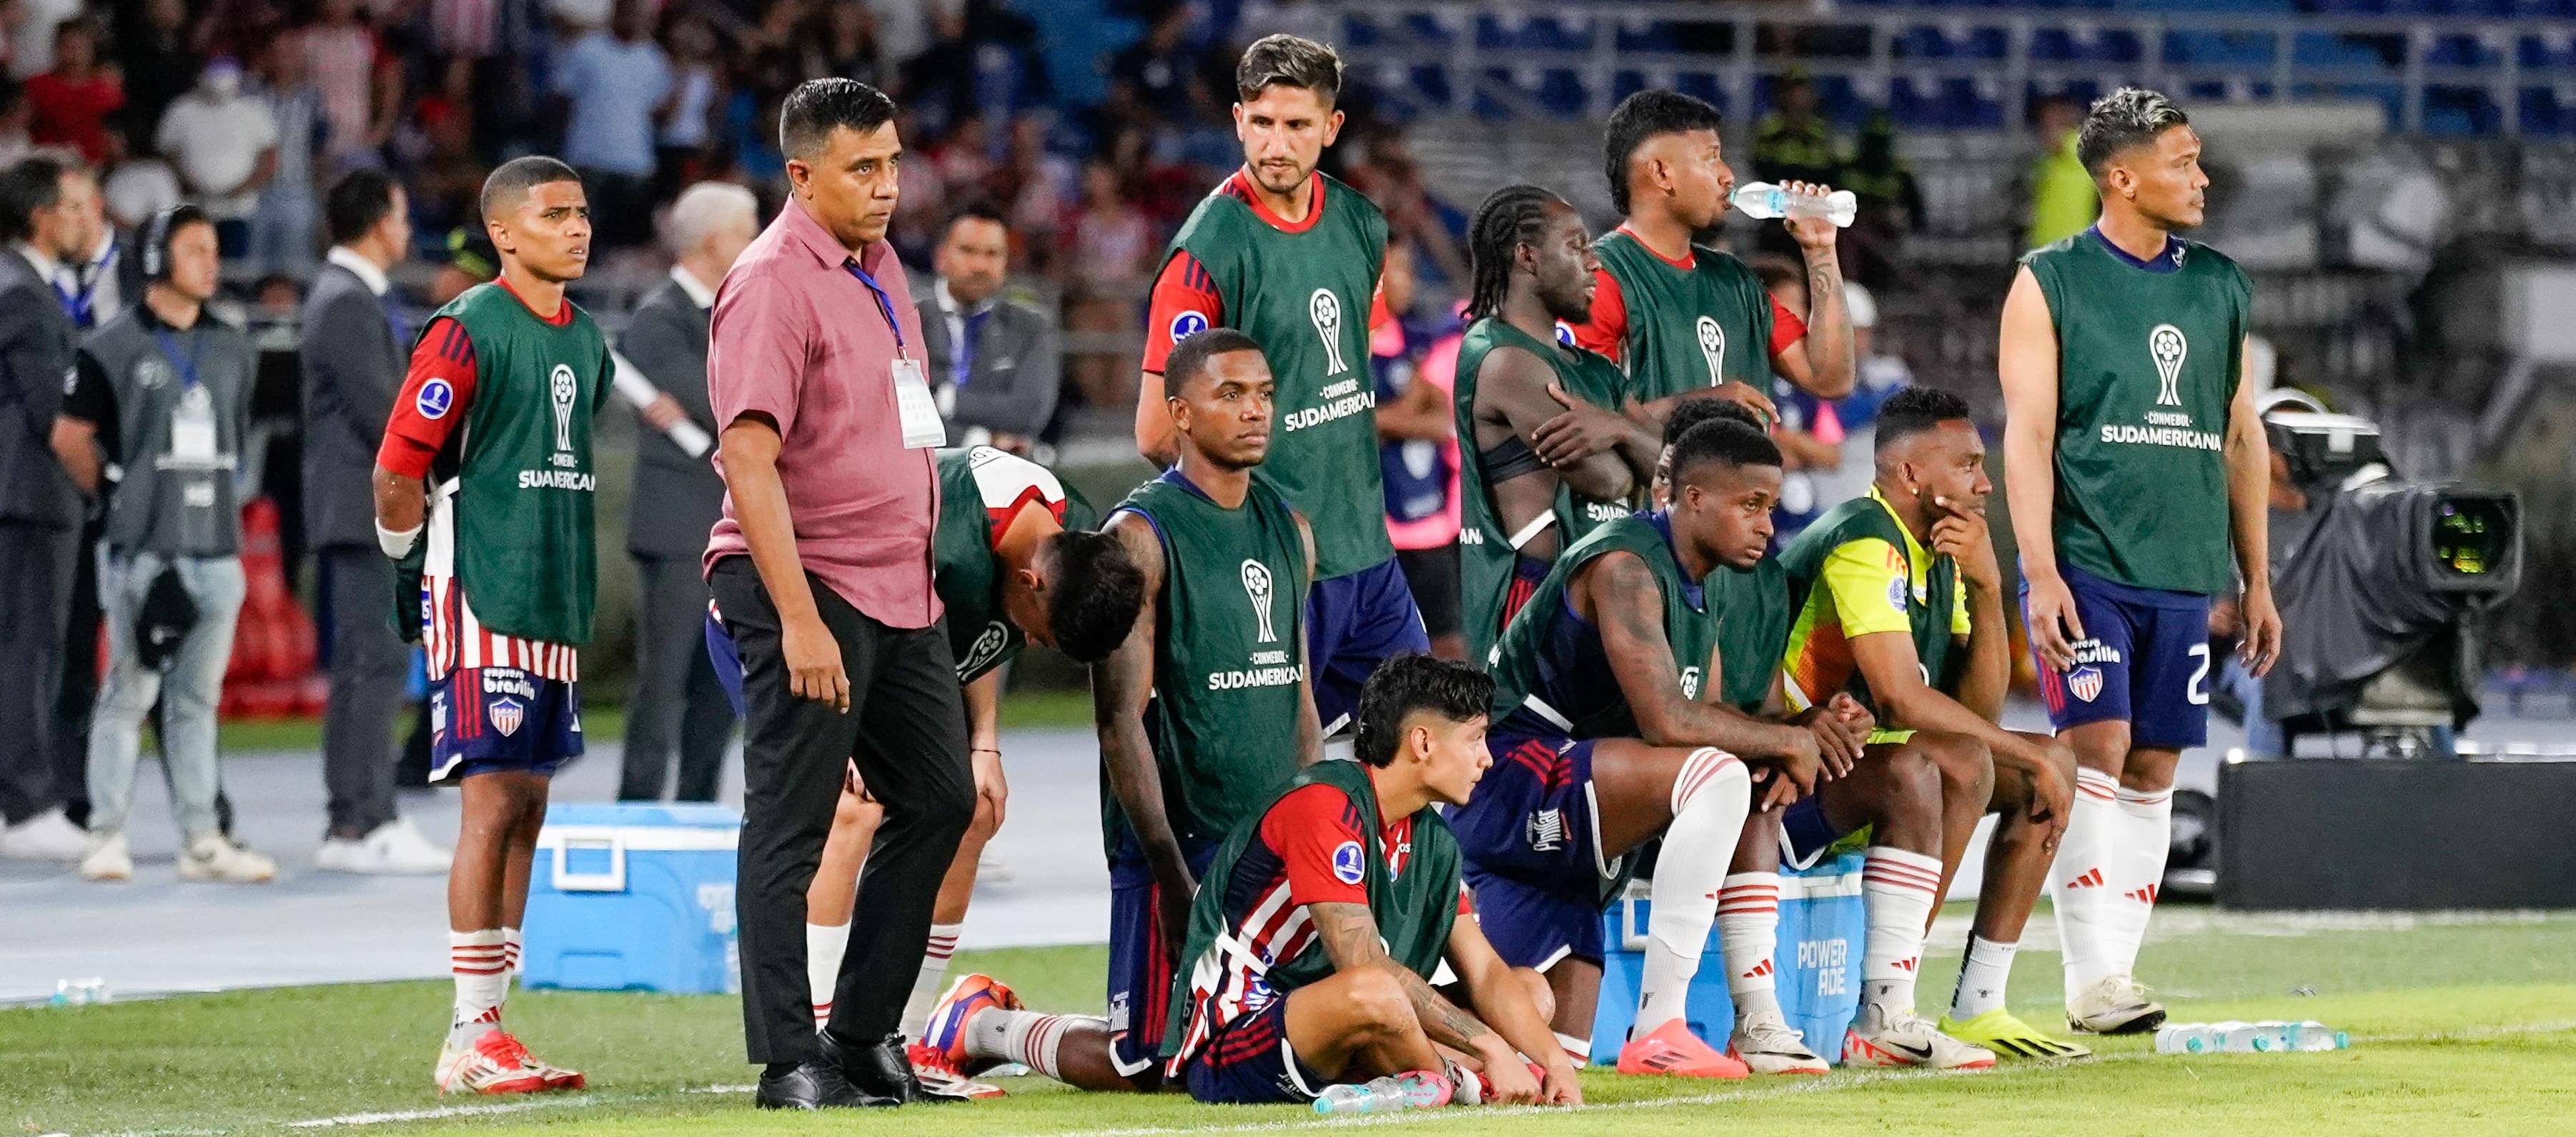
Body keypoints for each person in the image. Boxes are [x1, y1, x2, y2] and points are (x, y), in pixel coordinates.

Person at [918, 328, 1324, 1095]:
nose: (1254, 412)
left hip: (1268, 835)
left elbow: (1298, 687)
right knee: (1149, 1068)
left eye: (1264, 394)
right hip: (1179, 840)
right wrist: (1168, 871)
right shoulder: (1138, 534)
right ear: (1178, 412)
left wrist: (1313, 819)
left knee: (1267, 1047)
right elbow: (1118, 722)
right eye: (1230, 395)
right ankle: (980, 1026)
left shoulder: (1290, 529)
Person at [704, 78, 975, 1111]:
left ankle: (862, 1032)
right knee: (793, 818)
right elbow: (747, 457)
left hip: (895, 582)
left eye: (896, 163)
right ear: (801, 173)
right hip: (803, 578)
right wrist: (801, 614)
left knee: (941, 796)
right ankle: (789, 1058)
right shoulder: (772, 279)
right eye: (864, 168)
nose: (888, 186)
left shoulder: (881, 265)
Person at [1446, 417, 1854, 1078]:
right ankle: (1661, 1026)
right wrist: (1784, 740)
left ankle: (1757, 1022)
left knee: (1543, 1063)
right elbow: (1669, 720)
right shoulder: (1625, 563)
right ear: (1691, 497)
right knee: (1720, 774)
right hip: (1505, 776)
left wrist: (1802, 732)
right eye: (1750, 505)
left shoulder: (1704, 582)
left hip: (1570, 804)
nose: (1766, 526)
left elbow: (1711, 713)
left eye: (1771, 508)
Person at [2000, 89, 2279, 1037]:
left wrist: (2258, 577)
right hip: (2088, 560)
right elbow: (2029, 436)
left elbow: (2242, 437)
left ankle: (2118, 973)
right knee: (2101, 747)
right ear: (2121, 177)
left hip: (2184, 565)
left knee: (2157, 762)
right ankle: (2093, 977)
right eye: (2183, 160)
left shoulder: (2222, 285)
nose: (2201, 178)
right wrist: (2039, 571)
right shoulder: (2049, 281)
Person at [788, 443, 1145, 1094]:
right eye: (1046, 632)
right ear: (1030, 582)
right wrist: (850, 739)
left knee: (971, 804)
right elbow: (849, 603)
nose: (1034, 643)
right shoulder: (939, 529)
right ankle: (818, 1043)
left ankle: (908, 1036)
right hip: (809, 626)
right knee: (855, 805)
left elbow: (984, 636)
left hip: (906, 652)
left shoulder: (1068, 538)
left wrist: (985, 744)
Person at [1758, 385, 2087, 1061]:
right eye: (1967, 463)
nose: (1986, 482)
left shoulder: (1936, 553)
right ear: (1910, 474)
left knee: (2038, 762)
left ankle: (1978, 1002)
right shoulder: (1864, 537)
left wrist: (1991, 589)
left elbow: (1978, 714)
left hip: (1862, 764)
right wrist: (2023, 757)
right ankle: (1884, 1012)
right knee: (1965, 761)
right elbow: (1905, 700)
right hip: (1782, 786)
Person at [375, 155, 606, 1095]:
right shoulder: (466, 329)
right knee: (491, 797)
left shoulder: (589, 339)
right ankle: (469, 1032)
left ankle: (494, 1025)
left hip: (555, 596)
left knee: (531, 802)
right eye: (553, 215)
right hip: (483, 585)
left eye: (583, 213)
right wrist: (406, 568)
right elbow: (399, 467)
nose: (576, 228)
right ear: (503, 233)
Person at [1136, 34, 1429, 745]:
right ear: (1237, 120)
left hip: (1366, 552)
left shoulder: (1362, 226)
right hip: (1270, 560)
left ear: (1330, 129)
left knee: (1419, 747)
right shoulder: (1207, 252)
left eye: (1296, 125)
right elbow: (1155, 433)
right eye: (1261, 122)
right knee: (1266, 778)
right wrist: (1245, 531)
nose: (1275, 142)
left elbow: (1345, 373)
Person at [53, 204, 271, 884]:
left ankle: (202, 837)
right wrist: (117, 497)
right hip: (140, 548)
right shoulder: (110, 347)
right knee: (126, 692)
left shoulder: (234, 343)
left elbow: (233, 440)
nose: (212, 261)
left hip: (215, 547)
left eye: (213, 248)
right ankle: (106, 832)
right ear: (157, 260)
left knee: (196, 702)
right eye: (197, 249)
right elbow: (69, 437)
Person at [303, 167, 447, 874]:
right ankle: (360, 822)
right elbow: (385, 413)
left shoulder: (355, 297)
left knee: (372, 664)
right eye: (400, 215)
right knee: (374, 664)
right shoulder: (346, 301)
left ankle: (358, 819)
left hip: (365, 506)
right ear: (374, 222)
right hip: (365, 510)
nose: (408, 229)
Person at [1450, 184, 1657, 662]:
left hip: (1603, 586)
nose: (1596, 262)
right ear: (1527, 256)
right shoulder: (1502, 358)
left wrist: (1618, 429)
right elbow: (1604, 479)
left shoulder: (1595, 369)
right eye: (1577, 245)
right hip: (1536, 600)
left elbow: (1672, 465)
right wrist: (1633, 448)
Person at [1573, 90, 1853, 438]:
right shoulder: (1603, 277)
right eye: (1711, 158)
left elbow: (1829, 379)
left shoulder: (1737, 280)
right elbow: (1583, 423)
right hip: (1658, 493)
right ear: (1661, 173)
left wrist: (1821, 251)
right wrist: (1701, 406)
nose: (1728, 176)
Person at [613, 181, 754, 805]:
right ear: (714, 240)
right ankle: (638, 810)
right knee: (663, 680)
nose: (755, 244)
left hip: (729, 527)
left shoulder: (737, 311)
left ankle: (698, 808)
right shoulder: (658, 316)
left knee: (719, 682)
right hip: (676, 531)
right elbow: (732, 398)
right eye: (748, 231)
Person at [0, 153, 95, 862]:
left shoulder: (20, 286)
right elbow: (51, 417)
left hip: (24, 500)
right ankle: (27, 802)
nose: (79, 220)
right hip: (33, 500)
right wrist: (106, 482)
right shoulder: (25, 296)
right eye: (68, 208)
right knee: (31, 650)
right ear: (40, 217)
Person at [918, 202, 1056, 454]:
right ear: (941, 257)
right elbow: (902, 414)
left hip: (1003, 483)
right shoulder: (909, 320)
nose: (980, 266)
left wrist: (945, 399)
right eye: (968, 251)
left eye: (992, 254)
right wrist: (981, 441)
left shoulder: (1032, 327)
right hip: (919, 474)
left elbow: (1030, 412)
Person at [551, 0, 668, 251]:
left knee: (627, 243)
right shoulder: (586, 50)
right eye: (624, 11)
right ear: (614, 12)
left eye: (636, 13)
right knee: (580, 237)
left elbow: (660, 112)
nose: (630, 18)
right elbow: (563, 100)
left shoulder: (654, 59)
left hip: (635, 165)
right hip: (588, 160)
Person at [155, 57, 278, 254]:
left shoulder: (254, 111)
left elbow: (270, 159)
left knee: (236, 269)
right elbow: (167, 155)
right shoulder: (181, 110)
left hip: (239, 209)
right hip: (193, 206)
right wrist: (187, 182)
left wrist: (244, 187)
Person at [2023, 95, 2096, 252]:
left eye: (2051, 122)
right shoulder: (2046, 159)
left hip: (2070, 245)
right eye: (2044, 122)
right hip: (2043, 243)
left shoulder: (2079, 147)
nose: (2046, 128)